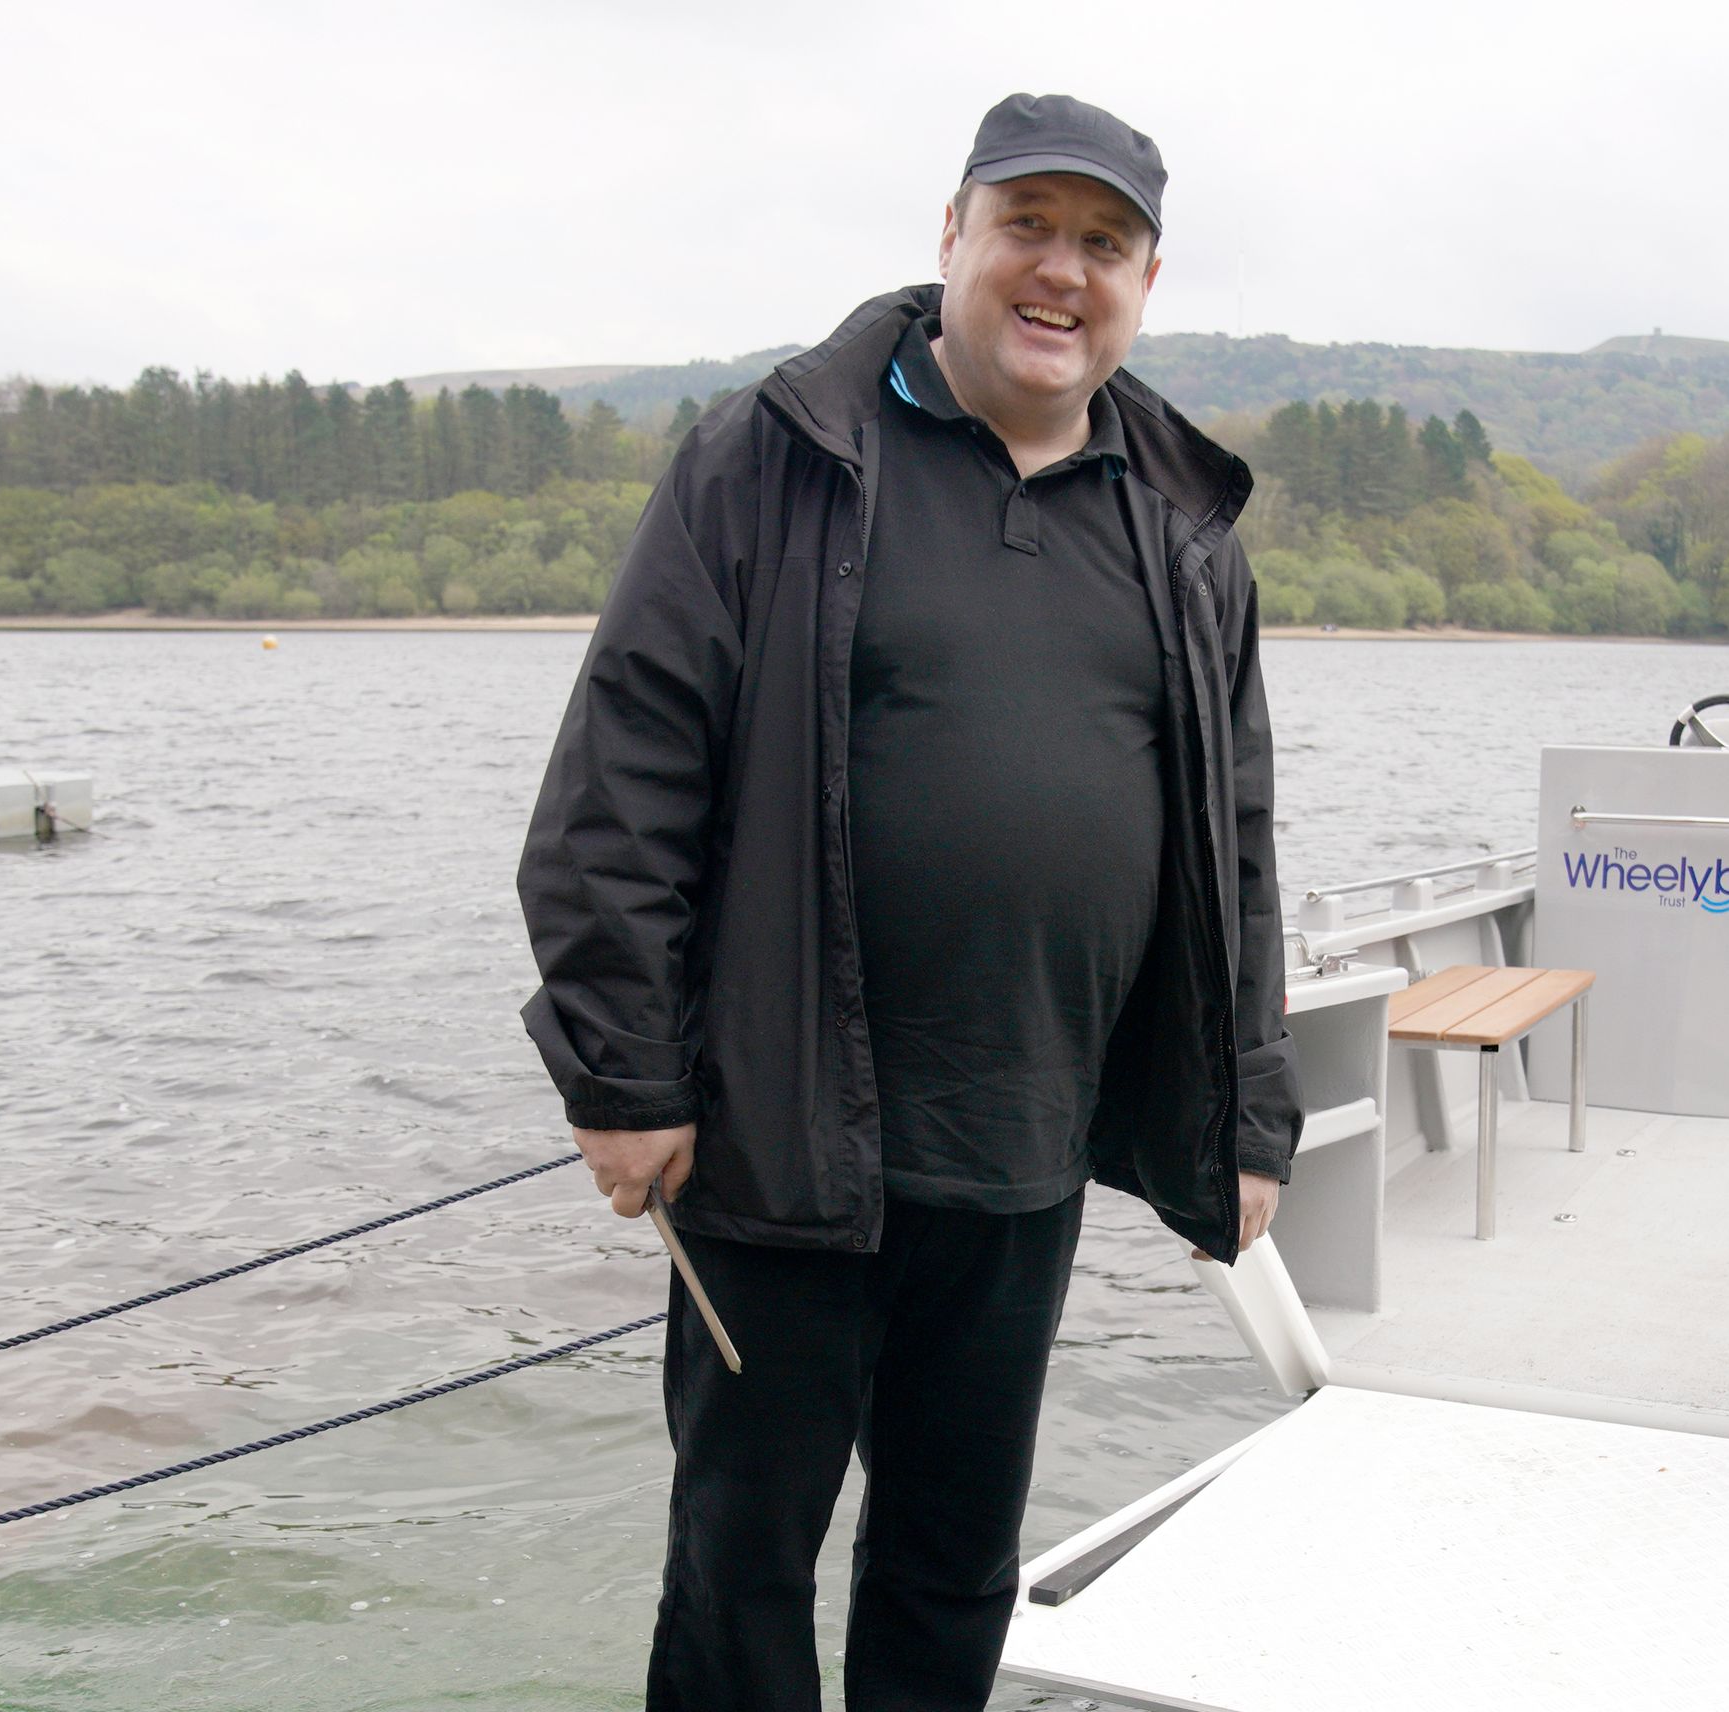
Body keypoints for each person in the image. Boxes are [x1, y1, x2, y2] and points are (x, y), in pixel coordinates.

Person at [515, 92, 1300, 1710]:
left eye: (1105, 244)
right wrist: (622, 1074)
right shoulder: (774, 457)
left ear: (1147, 281)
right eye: (1029, 227)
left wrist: (1248, 1112)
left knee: (953, 1563)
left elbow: (1233, 845)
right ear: (952, 236)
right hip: (775, 1143)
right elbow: (623, 772)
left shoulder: (1182, 529)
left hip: (1024, 1150)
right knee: (740, 1564)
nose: (1062, 271)